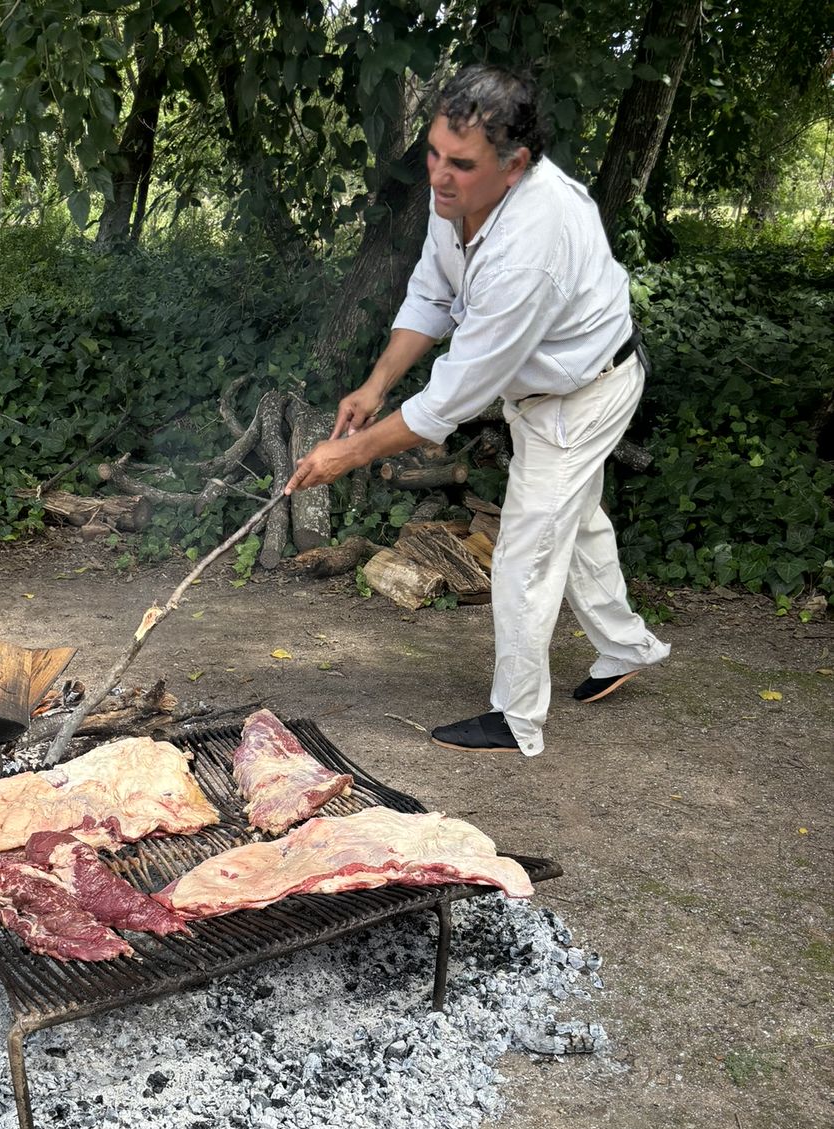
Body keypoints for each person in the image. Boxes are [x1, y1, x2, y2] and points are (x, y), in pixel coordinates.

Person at [285, 65, 669, 756]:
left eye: (459, 163)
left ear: (514, 164)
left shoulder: (533, 244)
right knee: (574, 524)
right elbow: (430, 295)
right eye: (433, 153)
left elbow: (455, 395)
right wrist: (374, 386)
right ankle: (625, 645)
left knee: (525, 547)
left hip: (584, 395)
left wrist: (347, 452)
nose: (438, 174)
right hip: (543, 387)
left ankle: (516, 717)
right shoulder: (458, 203)